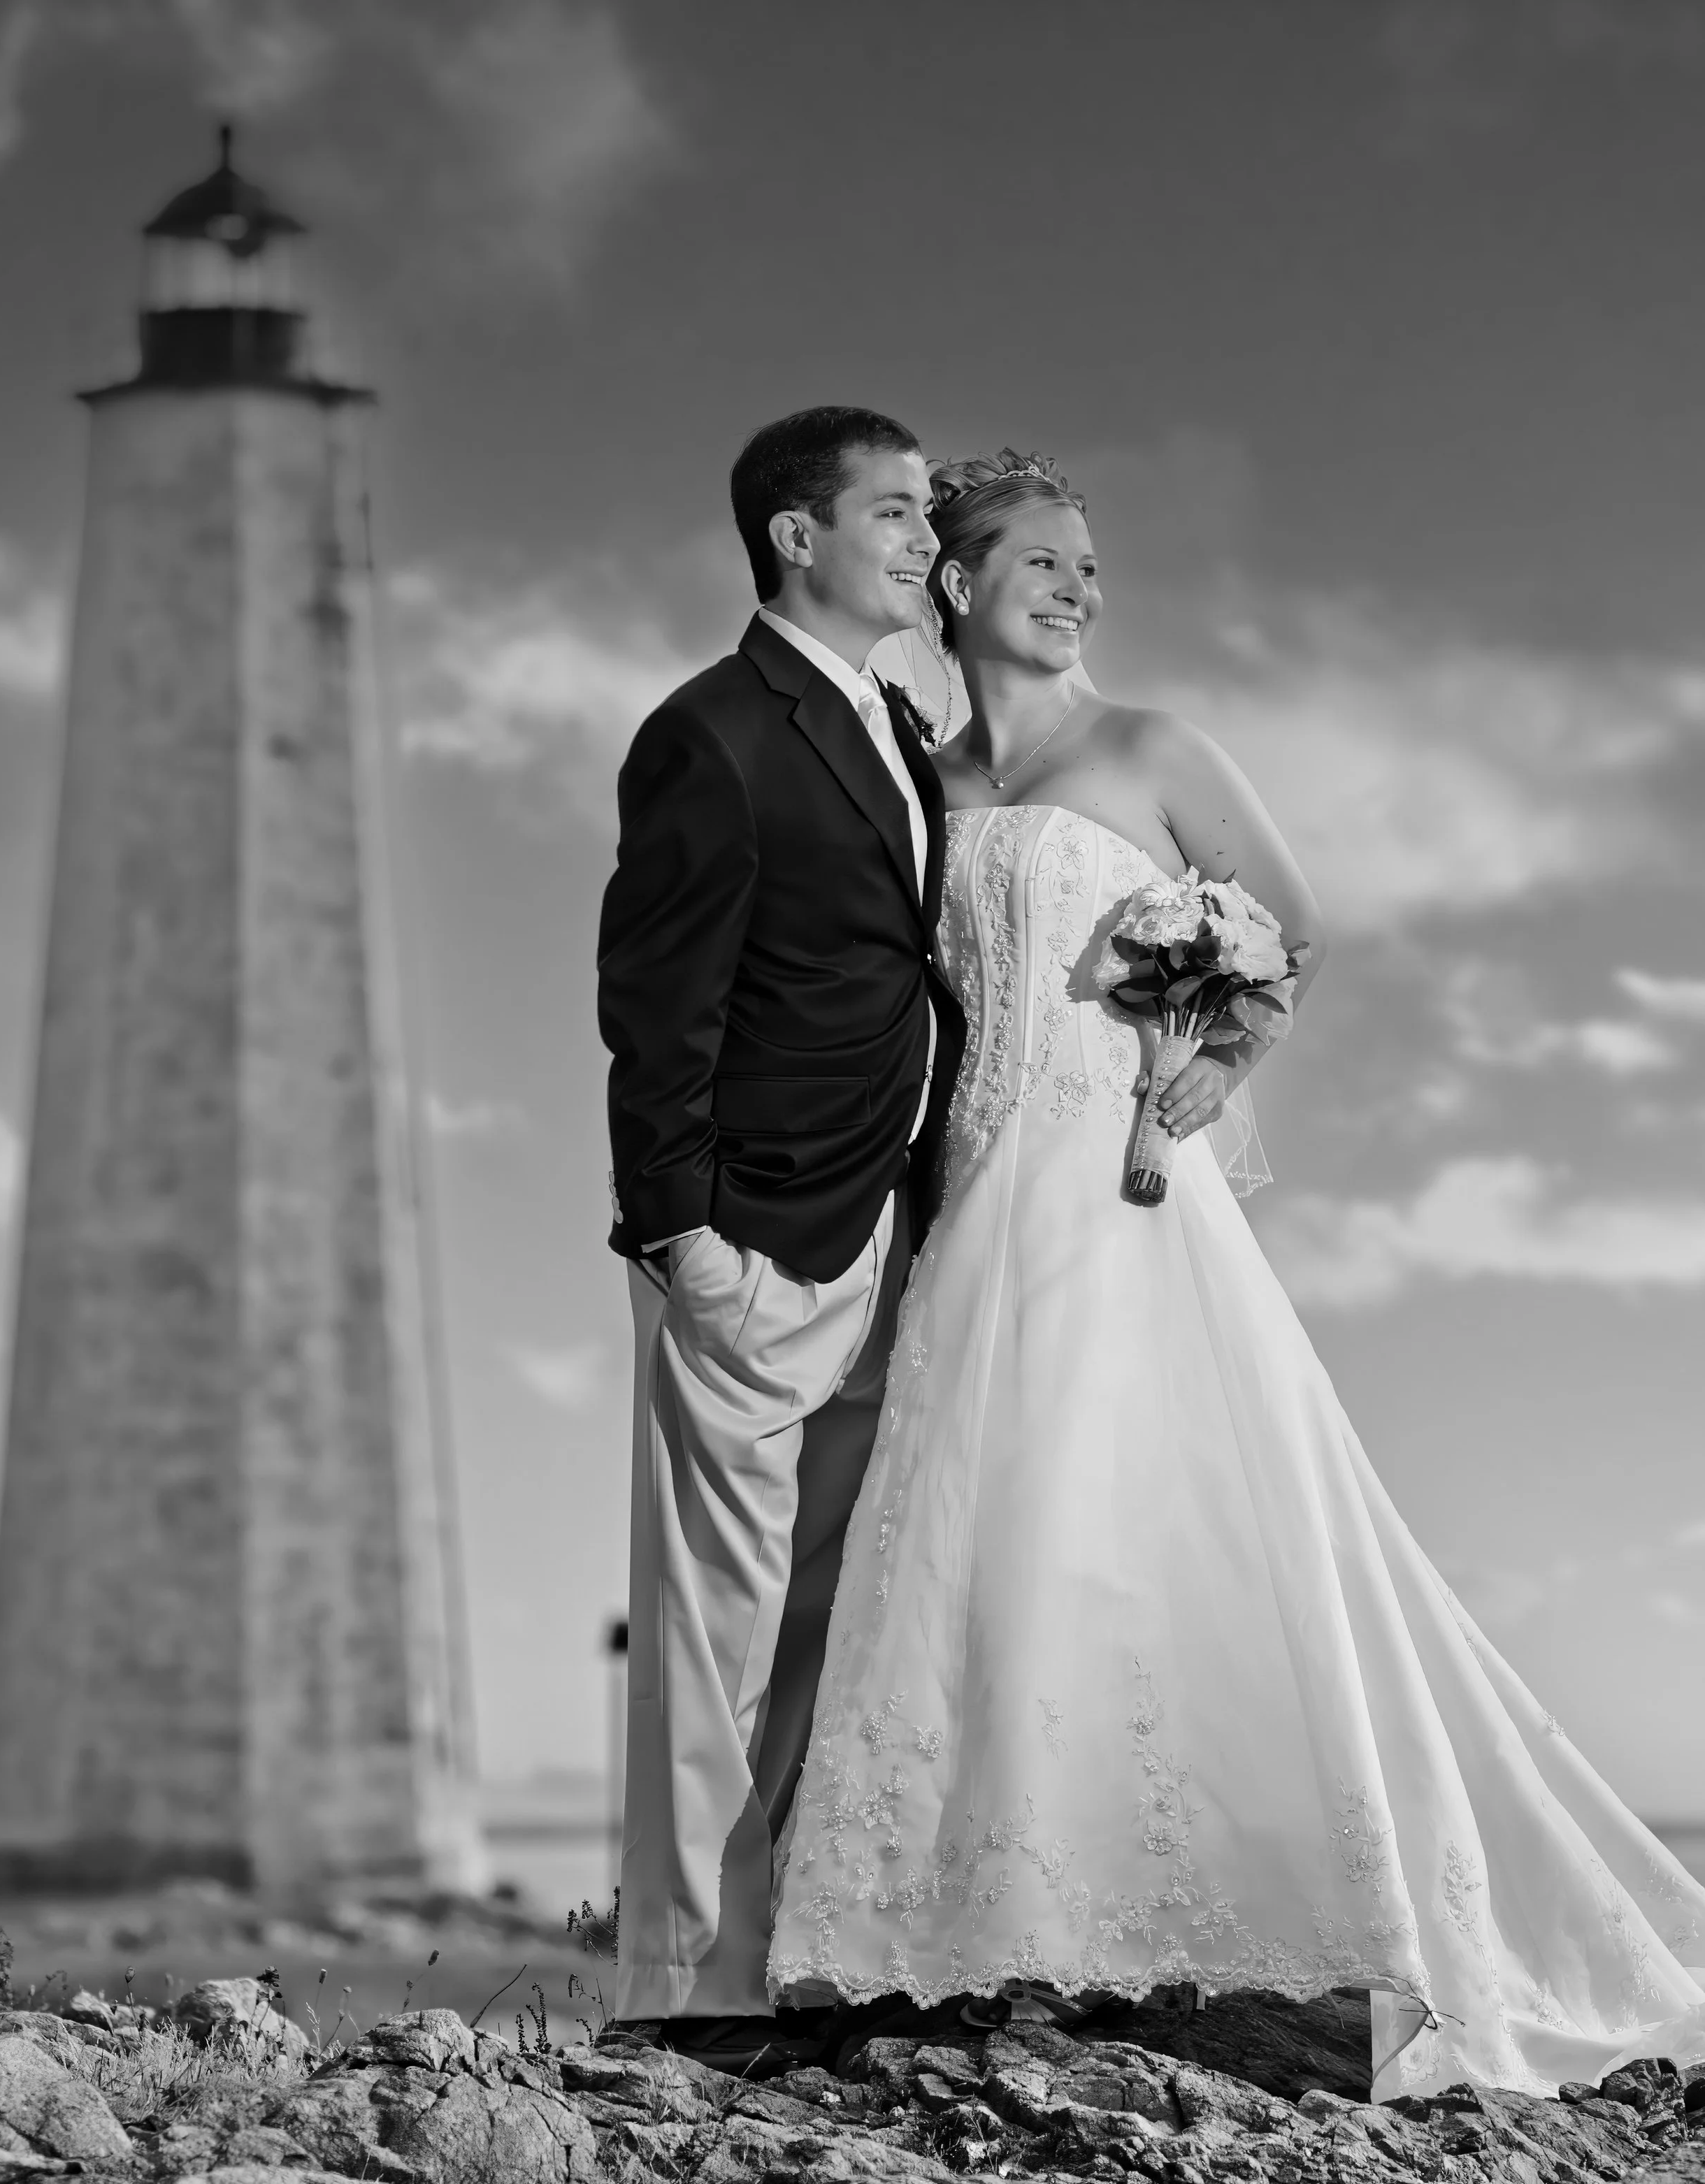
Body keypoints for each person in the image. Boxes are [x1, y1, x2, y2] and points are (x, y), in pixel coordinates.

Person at [768, 449, 1705, 2097]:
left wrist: (1218, 1056)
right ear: (957, 582)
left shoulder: (1152, 747)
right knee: (982, 1529)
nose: (1077, 588)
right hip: (973, 1190)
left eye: (1088, 567)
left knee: (1149, 1509)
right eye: (1041, 562)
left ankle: (1242, 1922)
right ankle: (985, 1916)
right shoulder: (926, 779)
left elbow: (1287, 928)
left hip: (1121, 1184)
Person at [597, 407, 965, 2071]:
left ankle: (793, 1959)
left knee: (832, 1614)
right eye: (889, 510)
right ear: (792, 537)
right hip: (747, 1236)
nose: (920, 534)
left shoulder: (892, 714)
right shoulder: (711, 731)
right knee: (712, 1630)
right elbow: (655, 1006)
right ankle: (686, 1991)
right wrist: (686, 1240)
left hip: (883, 1223)